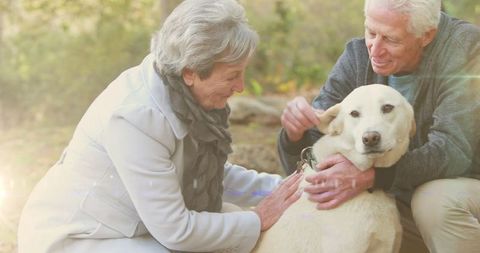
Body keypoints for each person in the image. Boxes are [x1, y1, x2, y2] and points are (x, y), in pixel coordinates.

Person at [18, 1, 303, 252]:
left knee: (232, 229)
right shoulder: (135, 117)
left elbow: (211, 176)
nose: (240, 87)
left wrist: (286, 190)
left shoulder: (187, 97)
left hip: (139, 227)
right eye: (232, 76)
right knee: (234, 231)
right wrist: (258, 217)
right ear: (191, 72)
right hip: (81, 237)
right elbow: (176, 230)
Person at [278, 0, 480, 252]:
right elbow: (318, 153)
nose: (375, 49)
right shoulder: (357, 56)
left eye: (391, 39)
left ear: (426, 35)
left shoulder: (467, 49)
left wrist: (373, 176)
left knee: (434, 202)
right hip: (402, 193)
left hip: (466, 187)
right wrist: (295, 134)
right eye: (370, 32)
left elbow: (453, 151)